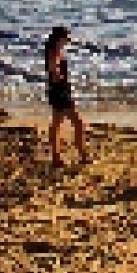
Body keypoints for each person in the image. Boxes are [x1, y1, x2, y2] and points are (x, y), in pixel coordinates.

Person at [43, 26, 89, 169]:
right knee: (78, 123)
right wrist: (60, 78)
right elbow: (53, 69)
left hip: (57, 91)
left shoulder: (54, 51)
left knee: (57, 125)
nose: (68, 41)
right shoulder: (54, 52)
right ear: (59, 38)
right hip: (60, 92)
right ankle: (82, 155)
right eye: (66, 38)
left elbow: (52, 70)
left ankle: (56, 158)